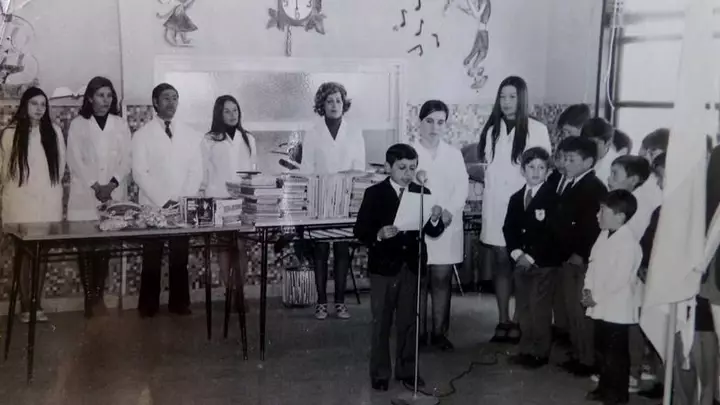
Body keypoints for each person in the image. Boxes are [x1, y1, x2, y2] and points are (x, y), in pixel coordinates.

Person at [353, 143, 446, 392]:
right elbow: (360, 230)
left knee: (409, 321)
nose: (408, 173)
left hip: (412, 266)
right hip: (384, 268)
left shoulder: (422, 192)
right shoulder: (374, 193)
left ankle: (407, 370)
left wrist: (435, 218)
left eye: (412, 168)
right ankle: (380, 373)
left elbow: (433, 230)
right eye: (402, 167)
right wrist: (379, 234)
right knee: (381, 322)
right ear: (388, 167)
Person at [477, 75, 551, 343]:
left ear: (522, 99)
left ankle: (520, 319)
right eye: (502, 97)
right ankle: (502, 319)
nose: (506, 102)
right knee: (500, 261)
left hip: (523, 206)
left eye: (512, 97)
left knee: (521, 263)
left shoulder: (537, 129)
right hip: (496, 205)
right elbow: (488, 170)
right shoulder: (491, 131)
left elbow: (542, 171)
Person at [132, 83, 204, 318]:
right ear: (155, 102)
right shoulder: (142, 135)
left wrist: (182, 199)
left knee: (179, 256)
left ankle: (179, 303)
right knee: (152, 256)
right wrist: (164, 200)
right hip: (153, 204)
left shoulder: (190, 134)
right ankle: (148, 305)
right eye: (166, 98)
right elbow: (139, 173)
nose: (171, 103)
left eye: (175, 98)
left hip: (182, 204)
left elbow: (196, 170)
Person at [66, 76, 132, 318]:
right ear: (90, 98)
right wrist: (95, 186)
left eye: (109, 95)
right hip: (85, 193)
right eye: (101, 95)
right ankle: (89, 298)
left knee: (104, 247)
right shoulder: (78, 124)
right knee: (86, 247)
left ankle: (99, 296)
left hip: (112, 193)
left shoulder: (120, 124)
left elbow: (127, 159)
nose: (106, 100)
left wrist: (111, 184)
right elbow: (74, 159)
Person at [301, 82, 366, 320]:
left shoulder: (354, 132)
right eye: (329, 101)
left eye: (338, 100)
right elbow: (307, 168)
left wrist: (348, 186)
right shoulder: (312, 133)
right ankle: (321, 303)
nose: (334, 105)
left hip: (345, 198)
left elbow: (359, 166)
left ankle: (340, 302)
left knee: (341, 250)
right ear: (322, 105)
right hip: (319, 197)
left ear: (344, 104)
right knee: (320, 249)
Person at [0, 87, 65, 323]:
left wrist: (49, 194)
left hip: (47, 202)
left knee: (42, 254)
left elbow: (60, 167)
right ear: (24, 105)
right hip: (21, 202)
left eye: (43, 104)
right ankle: (26, 304)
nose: (39, 109)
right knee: (24, 254)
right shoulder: (10, 134)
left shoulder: (54, 132)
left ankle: (36, 302)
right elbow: (4, 172)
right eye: (34, 103)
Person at [411, 100, 469, 351]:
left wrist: (448, 211)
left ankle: (439, 333)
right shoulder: (410, 152)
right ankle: (418, 333)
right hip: (418, 224)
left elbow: (461, 187)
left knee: (442, 278)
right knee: (419, 280)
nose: (434, 127)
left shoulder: (454, 154)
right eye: (429, 121)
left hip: (447, 224)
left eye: (440, 122)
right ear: (420, 122)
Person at [554, 136, 608, 377]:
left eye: (571, 159)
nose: (565, 164)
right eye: (564, 158)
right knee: (572, 309)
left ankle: (587, 359)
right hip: (568, 256)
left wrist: (580, 253)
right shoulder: (571, 183)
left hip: (581, 259)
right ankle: (578, 353)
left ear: (588, 161)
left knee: (581, 311)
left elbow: (592, 227)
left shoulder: (593, 187)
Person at [583, 189, 641, 405]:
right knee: (601, 349)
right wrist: (587, 289)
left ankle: (617, 394)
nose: (597, 215)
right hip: (600, 304)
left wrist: (595, 296)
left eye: (603, 211)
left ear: (620, 217)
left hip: (616, 307)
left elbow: (619, 279)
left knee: (615, 354)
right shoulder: (604, 235)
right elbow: (593, 264)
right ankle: (604, 387)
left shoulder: (628, 243)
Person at [503, 147, 559, 369]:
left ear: (548, 171)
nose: (536, 172)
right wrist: (517, 253)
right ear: (523, 170)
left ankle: (540, 352)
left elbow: (552, 233)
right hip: (521, 262)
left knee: (539, 308)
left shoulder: (552, 197)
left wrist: (531, 256)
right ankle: (525, 348)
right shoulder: (516, 198)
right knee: (523, 306)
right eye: (531, 167)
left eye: (541, 167)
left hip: (542, 263)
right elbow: (509, 228)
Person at [199, 95, 256, 301]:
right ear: (219, 114)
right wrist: (204, 197)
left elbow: (252, 171)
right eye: (227, 111)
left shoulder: (248, 139)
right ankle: (229, 292)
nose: (232, 115)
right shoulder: (209, 140)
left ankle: (240, 292)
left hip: (242, 201)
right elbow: (203, 172)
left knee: (241, 247)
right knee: (224, 248)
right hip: (219, 200)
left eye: (235, 110)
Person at [581, 117, 617, 189]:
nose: (588, 147)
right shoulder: (577, 157)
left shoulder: (617, 167)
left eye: (594, 143)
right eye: (586, 142)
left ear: (608, 143)